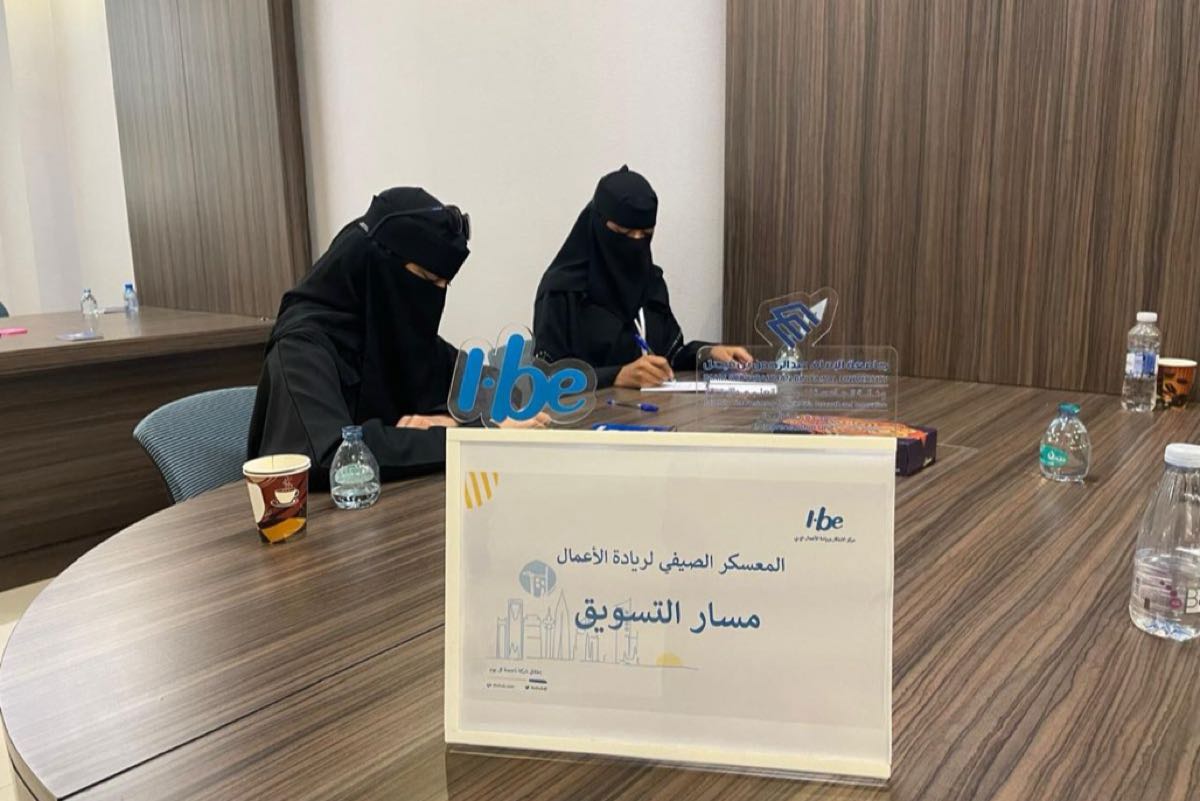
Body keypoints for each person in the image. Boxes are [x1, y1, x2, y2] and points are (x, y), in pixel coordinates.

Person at [248, 187, 543, 487]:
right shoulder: (300, 349)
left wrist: (450, 420)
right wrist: (467, 438)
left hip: (407, 506)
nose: (434, 296)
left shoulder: (404, 335)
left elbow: (503, 392)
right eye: (427, 279)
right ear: (377, 265)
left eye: (444, 285)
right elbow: (330, 455)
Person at [533, 166, 751, 388]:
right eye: (623, 233)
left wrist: (707, 354)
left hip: (655, 407)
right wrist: (615, 376)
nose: (635, 243)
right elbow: (545, 378)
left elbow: (669, 353)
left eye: (646, 234)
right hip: (592, 410)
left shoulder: (650, 283)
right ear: (598, 224)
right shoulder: (563, 290)